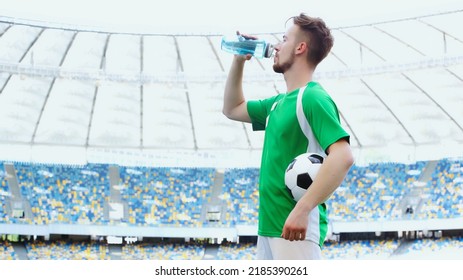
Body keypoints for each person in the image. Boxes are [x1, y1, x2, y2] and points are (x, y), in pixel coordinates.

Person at [222, 13, 354, 260]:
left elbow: (343, 156)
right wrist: (239, 60)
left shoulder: (312, 97)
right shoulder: (277, 104)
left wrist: (302, 210)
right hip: (269, 228)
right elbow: (232, 108)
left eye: (284, 39)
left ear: (300, 47)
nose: (277, 46)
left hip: (296, 230)